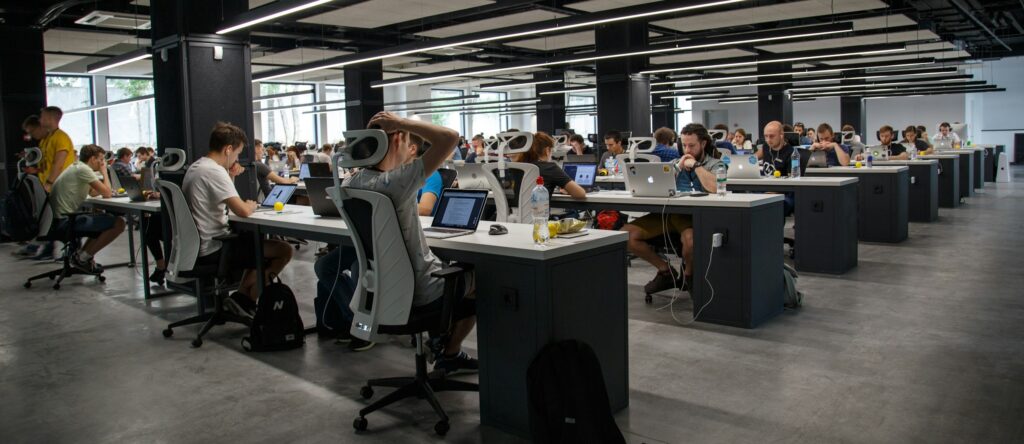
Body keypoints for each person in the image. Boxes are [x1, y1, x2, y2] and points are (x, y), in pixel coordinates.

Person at [342, 111, 478, 374]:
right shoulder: (397, 181)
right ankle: (449, 351)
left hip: (381, 290)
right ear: (396, 141)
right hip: (421, 290)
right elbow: (450, 138)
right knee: (483, 278)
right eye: (406, 141)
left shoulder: (351, 181)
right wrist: (402, 123)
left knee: (449, 271)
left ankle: (438, 340)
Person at [183, 122, 294, 319]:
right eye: (236, 153)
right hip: (215, 247)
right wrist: (251, 205)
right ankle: (246, 299)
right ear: (227, 150)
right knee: (283, 250)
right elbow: (242, 210)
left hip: (199, 246)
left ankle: (241, 300)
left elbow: (222, 198)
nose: (236, 159)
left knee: (253, 244)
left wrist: (231, 176)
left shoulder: (198, 167)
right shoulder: (214, 171)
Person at [621, 123, 724, 294]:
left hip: (695, 217)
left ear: (703, 144)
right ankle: (665, 270)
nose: (687, 149)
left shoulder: (716, 164)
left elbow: (715, 188)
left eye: (692, 145)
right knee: (626, 235)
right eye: (684, 145)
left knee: (690, 241)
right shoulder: (675, 163)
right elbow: (659, 185)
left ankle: (689, 276)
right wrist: (677, 167)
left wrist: (696, 165)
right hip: (669, 215)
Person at [49, 144, 126, 273]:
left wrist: (103, 188)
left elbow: (93, 192)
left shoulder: (76, 167)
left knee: (102, 220)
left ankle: (81, 257)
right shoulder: (84, 170)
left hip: (59, 219)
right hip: (65, 221)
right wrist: (104, 172)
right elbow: (107, 193)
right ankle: (83, 258)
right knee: (119, 223)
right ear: (92, 159)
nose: (103, 162)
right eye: (101, 159)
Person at [516, 131, 586, 200]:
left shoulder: (517, 166)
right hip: (540, 210)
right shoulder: (550, 168)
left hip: (516, 211)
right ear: (547, 150)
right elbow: (580, 193)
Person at [39, 106, 76, 193]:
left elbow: (58, 163)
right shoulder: (47, 138)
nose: (40, 120)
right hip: (50, 186)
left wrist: (49, 183)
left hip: (61, 187)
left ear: (50, 118)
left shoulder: (61, 137)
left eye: (42, 117)